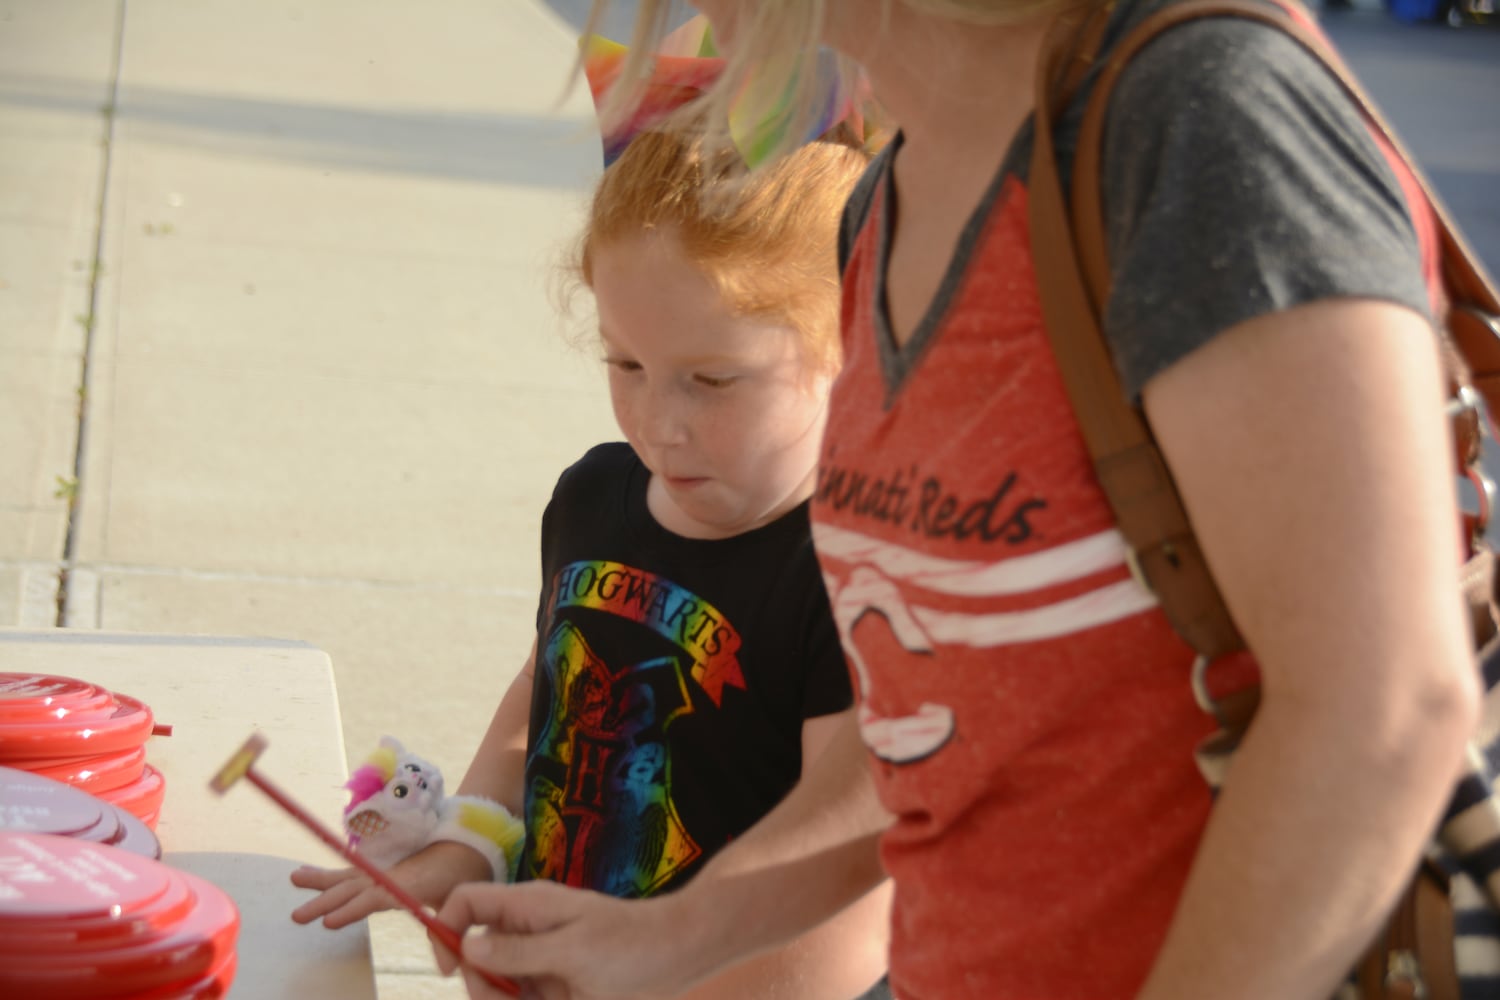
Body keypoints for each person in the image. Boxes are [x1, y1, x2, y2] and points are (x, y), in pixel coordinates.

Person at [426, 0, 1489, 998]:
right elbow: (933, 728)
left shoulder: (1201, 117)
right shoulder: (889, 193)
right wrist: (661, 937)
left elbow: (1382, 714)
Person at [288, 110, 892, 998]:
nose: (659, 423)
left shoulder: (851, 578)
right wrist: (469, 847)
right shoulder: (594, 498)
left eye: (713, 379)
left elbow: (840, 926)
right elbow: (543, 695)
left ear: (850, 341)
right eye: (625, 365)